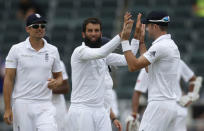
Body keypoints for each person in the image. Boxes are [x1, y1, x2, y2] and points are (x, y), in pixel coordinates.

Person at [66, 12, 136, 131]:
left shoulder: (104, 56)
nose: (93, 33)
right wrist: (122, 34)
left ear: (101, 33)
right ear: (83, 34)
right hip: (82, 110)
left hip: (101, 111)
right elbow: (101, 52)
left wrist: (136, 39)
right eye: (90, 30)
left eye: (96, 30)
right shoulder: (80, 51)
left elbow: (129, 60)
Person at [121, 10, 181, 131]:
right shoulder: (170, 44)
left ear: (155, 26)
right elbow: (148, 68)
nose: (146, 29)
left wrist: (124, 40)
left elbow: (133, 66)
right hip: (170, 105)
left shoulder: (161, 46)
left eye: (148, 26)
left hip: (159, 106)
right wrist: (142, 42)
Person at [3, 13, 63, 131]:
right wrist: (7, 109)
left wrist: (57, 82)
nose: (40, 28)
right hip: (23, 103)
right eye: (35, 26)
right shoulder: (16, 49)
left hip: (45, 104)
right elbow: (8, 79)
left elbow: (59, 77)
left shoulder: (53, 50)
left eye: (42, 26)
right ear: (28, 29)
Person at [128, 59, 202, 131]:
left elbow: (194, 80)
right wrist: (134, 114)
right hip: (165, 109)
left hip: (171, 108)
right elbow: (138, 91)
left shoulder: (177, 62)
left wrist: (190, 96)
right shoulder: (149, 67)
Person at [52, 60, 70, 131]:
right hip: (37, 106)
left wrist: (46, 89)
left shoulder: (59, 63)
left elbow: (66, 88)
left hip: (57, 108)